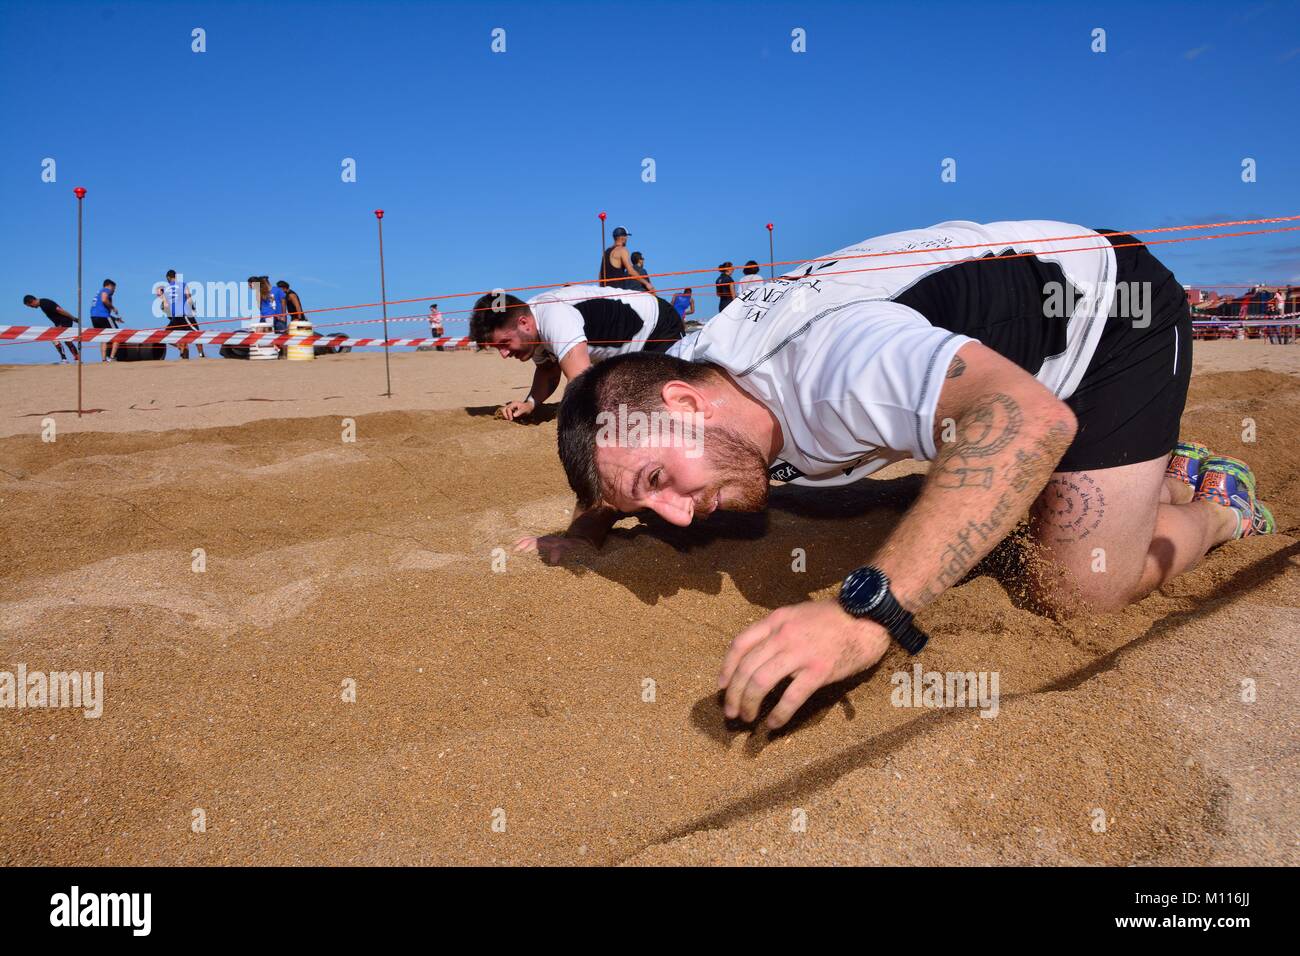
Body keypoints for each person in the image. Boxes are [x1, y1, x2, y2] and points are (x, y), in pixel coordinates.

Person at [536, 219, 1275, 730]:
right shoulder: (695, 372)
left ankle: (1220, 508)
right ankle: (1161, 474)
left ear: (686, 401)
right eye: (646, 497)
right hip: (997, 357)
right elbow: (616, 423)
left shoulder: (836, 370)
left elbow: (1029, 421)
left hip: (1108, 321)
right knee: (856, 491)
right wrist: (596, 511)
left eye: (660, 479)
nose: (674, 515)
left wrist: (869, 614)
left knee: (1076, 589)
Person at [469, 283, 684, 421]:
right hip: (629, 353)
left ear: (524, 323)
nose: (504, 354)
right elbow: (548, 371)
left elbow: (581, 381)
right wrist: (529, 403)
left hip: (658, 328)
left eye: (504, 343)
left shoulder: (553, 316)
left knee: (665, 402)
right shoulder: (531, 326)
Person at [160, 270, 204, 359]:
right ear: (175, 276)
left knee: (165, 335)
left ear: (168, 277)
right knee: (197, 334)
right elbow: (189, 298)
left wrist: (170, 315)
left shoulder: (165, 290)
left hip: (175, 318)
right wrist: (193, 308)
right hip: (185, 315)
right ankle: (201, 355)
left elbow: (164, 306)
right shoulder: (183, 285)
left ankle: (180, 348)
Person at [22, 295, 79, 362]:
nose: (32, 307)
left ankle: (64, 359)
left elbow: (60, 310)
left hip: (64, 321)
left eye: (30, 306)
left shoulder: (45, 303)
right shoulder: (43, 304)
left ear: (32, 301)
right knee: (67, 341)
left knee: (55, 338)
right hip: (62, 322)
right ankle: (77, 358)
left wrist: (73, 318)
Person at [599, 227, 654, 294]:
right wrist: (646, 283)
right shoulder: (622, 250)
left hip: (605, 292)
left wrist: (602, 289)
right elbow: (630, 271)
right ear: (623, 237)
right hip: (617, 293)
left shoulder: (606, 252)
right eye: (626, 237)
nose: (627, 239)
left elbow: (600, 274)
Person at [89, 279, 120, 363]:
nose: (114, 290)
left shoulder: (98, 292)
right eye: (114, 288)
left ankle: (104, 359)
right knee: (118, 336)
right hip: (103, 316)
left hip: (94, 316)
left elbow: (100, 308)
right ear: (110, 286)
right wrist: (113, 308)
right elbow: (104, 299)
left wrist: (116, 319)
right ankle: (112, 357)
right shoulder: (106, 290)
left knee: (103, 338)